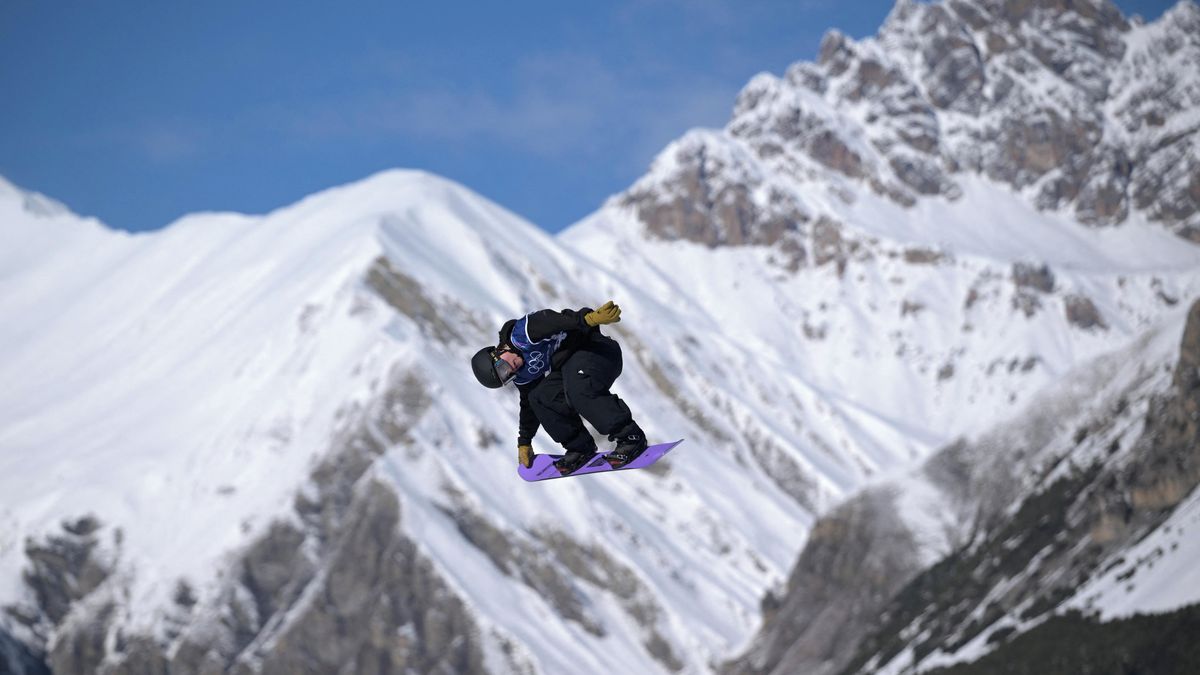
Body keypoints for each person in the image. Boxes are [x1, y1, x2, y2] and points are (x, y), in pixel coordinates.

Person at [470, 300, 647, 475]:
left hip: (597, 350)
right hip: (571, 366)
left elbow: (555, 320)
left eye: (503, 368)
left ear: (497, 353)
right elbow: (528, 404)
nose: (511, 371)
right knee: (539, 396)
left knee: (578, 387)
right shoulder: (522, 373)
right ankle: (580, 448)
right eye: (506, 377)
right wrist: (524, 441)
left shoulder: (523, 334)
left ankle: (630, 437)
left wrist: (589, 319)